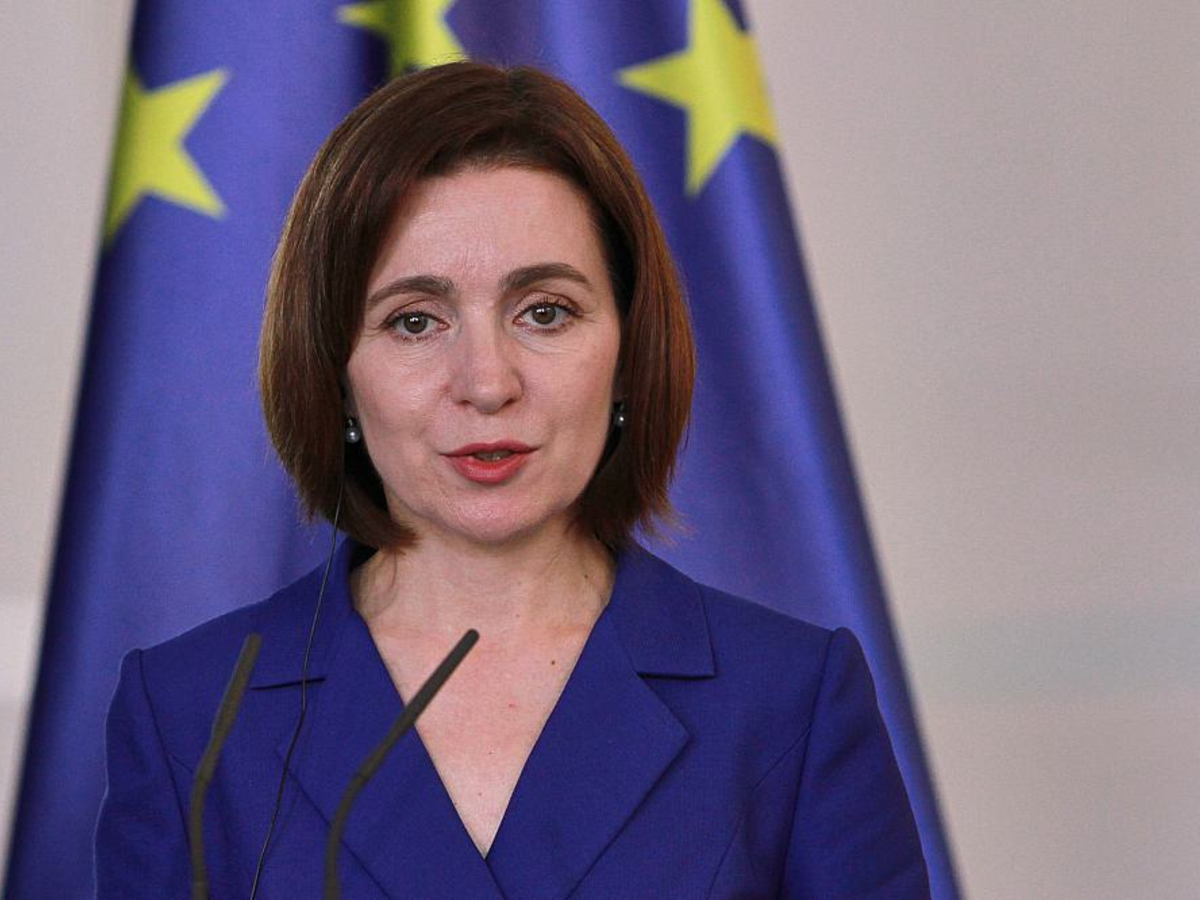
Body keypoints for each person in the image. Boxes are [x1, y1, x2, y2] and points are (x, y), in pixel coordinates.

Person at [95, 61, 930, 898]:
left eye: (545, 311)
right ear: (335, 373)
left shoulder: (791, 699)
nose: (487, 382)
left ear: (628, 352)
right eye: (414, 321)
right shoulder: (188, 714)